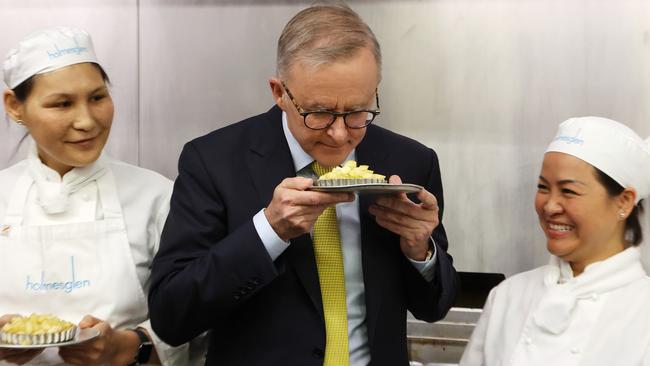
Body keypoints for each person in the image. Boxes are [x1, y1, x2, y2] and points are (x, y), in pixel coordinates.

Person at [148, 3, 458, 366]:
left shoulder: (410, 162)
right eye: (320, 113)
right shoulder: (214, 162)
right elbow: (171, 317)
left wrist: (419, 250)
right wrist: (268, 231)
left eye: (358, 111)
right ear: (279, 92)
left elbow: (434, 307)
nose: (341, 135)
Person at [0, 26, 196, 365]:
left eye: (97, 98)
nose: (87, 121)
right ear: (15, 106)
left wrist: (131, 347)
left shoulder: (157, 197)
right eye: (62, 104)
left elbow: (198, 322)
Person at [460, 116, 650, 365]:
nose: (550, 206)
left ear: (624, 202)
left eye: (569, 191)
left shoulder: (642, 311)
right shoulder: (508, 296)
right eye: (543, 187)